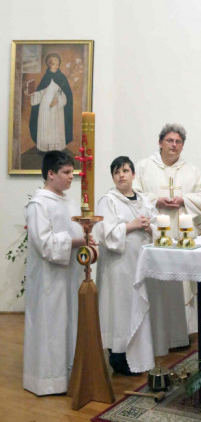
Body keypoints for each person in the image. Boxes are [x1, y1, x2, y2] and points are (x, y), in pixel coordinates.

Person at [95, 156, 188, 374]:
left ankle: (141, 354)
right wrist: (132, 225)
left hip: (140, 264)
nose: (121, 175)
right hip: (118, 268)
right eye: (117, 172)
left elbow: (158, 226)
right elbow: (105, 234)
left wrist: (149, 228)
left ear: (133, 174)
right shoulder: (108, 201)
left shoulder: (143, 200)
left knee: (139, 308)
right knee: (120, 310)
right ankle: (119, 356)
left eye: (125, 171)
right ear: (113, 177)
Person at [133, 123, 201, 332]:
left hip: (182, 236)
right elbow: (134, 194)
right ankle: (156, 330)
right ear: (160, 143)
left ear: (183, 146)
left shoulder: (191, 171)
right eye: (169, 140)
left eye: (178, 142)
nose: (174, 145)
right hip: (153, 235)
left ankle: (184, 331)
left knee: (183, 280)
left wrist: (184, 199)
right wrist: (156, 200)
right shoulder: (143, 167)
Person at [23, 150, 86, 395]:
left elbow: (77, 232)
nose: (72, 177)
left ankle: (69, 376)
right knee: (50, 326)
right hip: (48, 278)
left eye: (72, 172)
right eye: (66, 172)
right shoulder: (39, 204)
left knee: (68, 324)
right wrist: (77, 241)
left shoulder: (69, 202)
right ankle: (47, 381)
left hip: (69, 275)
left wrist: (87, 241)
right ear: (51, 174)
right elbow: (44, 243)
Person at [28, 52, 74, 152]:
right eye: (53, 64)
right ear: (49, 65)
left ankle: (56, 149)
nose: (56, 66)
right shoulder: (46, 78)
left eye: (58, 64)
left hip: (57, 108)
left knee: (55, 127)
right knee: (46, 126)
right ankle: (45, 148)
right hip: (45, 107)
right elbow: (40, 93)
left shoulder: (62, 78)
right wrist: (32, 94)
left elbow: (67, 96)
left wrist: (58, 100)